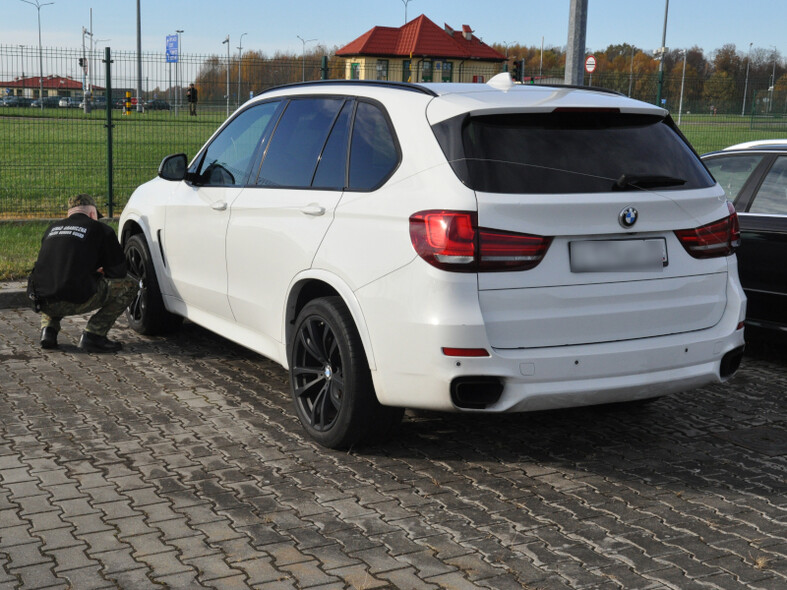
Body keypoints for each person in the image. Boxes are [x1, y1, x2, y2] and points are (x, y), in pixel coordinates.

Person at [27, 194, 136, 352]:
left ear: (69, 214)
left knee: (55, 279)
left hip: (41, 300)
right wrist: (99, 272)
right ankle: (94, 335)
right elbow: (118, 271)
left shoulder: (51, 229)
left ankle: (48, 331)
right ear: (92, 214)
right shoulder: (101, 230)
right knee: (130, 285)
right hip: (76, 298)